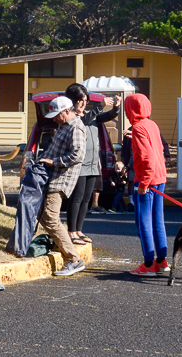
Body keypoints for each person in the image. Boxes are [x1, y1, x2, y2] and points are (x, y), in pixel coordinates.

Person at [36, 96, 87, 277]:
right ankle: (62, 245)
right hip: (53, 177)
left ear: (67, 111)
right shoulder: (65, 126)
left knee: (49, 217)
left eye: (57, 115)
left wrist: (53, 162)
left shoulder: (76, 127)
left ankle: (73, 259)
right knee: (43, 215)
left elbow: (78, 155)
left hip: (61, 179)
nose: (54, 119)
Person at [64, 84, 120, 243]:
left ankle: (79, 230)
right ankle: (71, 231)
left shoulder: (91, 114)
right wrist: (99, 106)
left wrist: (116, 107)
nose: (83, 103)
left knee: (86, 199)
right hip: (78, 164)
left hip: (93, 164)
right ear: (72, 101)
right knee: (76, 198)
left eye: (85, 100)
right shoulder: (72, 116)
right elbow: (83, 122)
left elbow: (107, 116)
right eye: (80, 100)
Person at [124, 93, 169, 276]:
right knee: (158, 220)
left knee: (144, 223)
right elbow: (159, 150)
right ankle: (161, 261)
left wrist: (143, 183)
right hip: (160, 178)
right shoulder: (152, 124)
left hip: (146, 181)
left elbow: (146, 157)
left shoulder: (137, 128)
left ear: (130, 109)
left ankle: (148, 265)